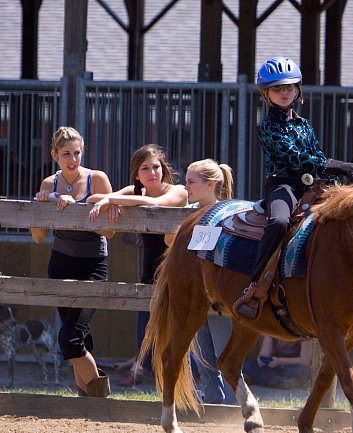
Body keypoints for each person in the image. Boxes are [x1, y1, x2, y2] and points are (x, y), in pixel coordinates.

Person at [233, 56, 353, 320]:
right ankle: (255, 285)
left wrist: (340, 168)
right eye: (278, 88)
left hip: (313, 184)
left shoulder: (305, 125)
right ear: (266, 93)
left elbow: (318, 156)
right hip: (283, 184)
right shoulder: (268, 125)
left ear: (297, 90)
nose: (284, 92)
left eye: (289, 87)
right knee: (279, 222)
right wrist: (337, 166)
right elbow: (297, 159)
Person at [89, 144, 188, 385]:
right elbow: (92, 199)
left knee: (179, 331)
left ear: (163, 169)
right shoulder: (137, 191)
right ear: (137, 174)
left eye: (156, 167)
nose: (152, 172)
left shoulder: (178, 191)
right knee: (145, 330)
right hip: (150, 271)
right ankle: (143, 371)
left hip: (180, 271)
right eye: (145, 168)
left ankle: (184, 379)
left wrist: (115, 200)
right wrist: (112, 203)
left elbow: (158, 204)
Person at [31, 126, 114, 397]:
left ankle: (100, 399)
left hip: (93, 263)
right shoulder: (48, 183)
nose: (73, 159)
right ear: (54, 154)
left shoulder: (97, 179)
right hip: (61, 263)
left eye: (77, 153)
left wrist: (80, 210)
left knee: (69, 339)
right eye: (66, 153)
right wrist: (43, 205)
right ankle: (85, 400)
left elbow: (111, 231)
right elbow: (38, 236)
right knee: (81, 336)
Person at [183, 158, 237, 404]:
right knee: (203, 353)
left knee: (225, 350)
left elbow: (199, 251)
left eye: (191, 182)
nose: (186, 188)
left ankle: (235, 404)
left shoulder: (222, 212)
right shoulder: (192, 211)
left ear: (210, 184)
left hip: (219, 295)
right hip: (198, 292)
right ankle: (215, 401)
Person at [243, 336, 312, 389]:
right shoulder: (273, 331)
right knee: (248, 366)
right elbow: (263, 354)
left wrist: (279, 361)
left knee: (302, 371)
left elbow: (305, 360)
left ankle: (265, 380)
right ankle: (283, 383)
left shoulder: (302, 333)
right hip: (276, 367)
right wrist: (262, 360)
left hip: (292, 367)